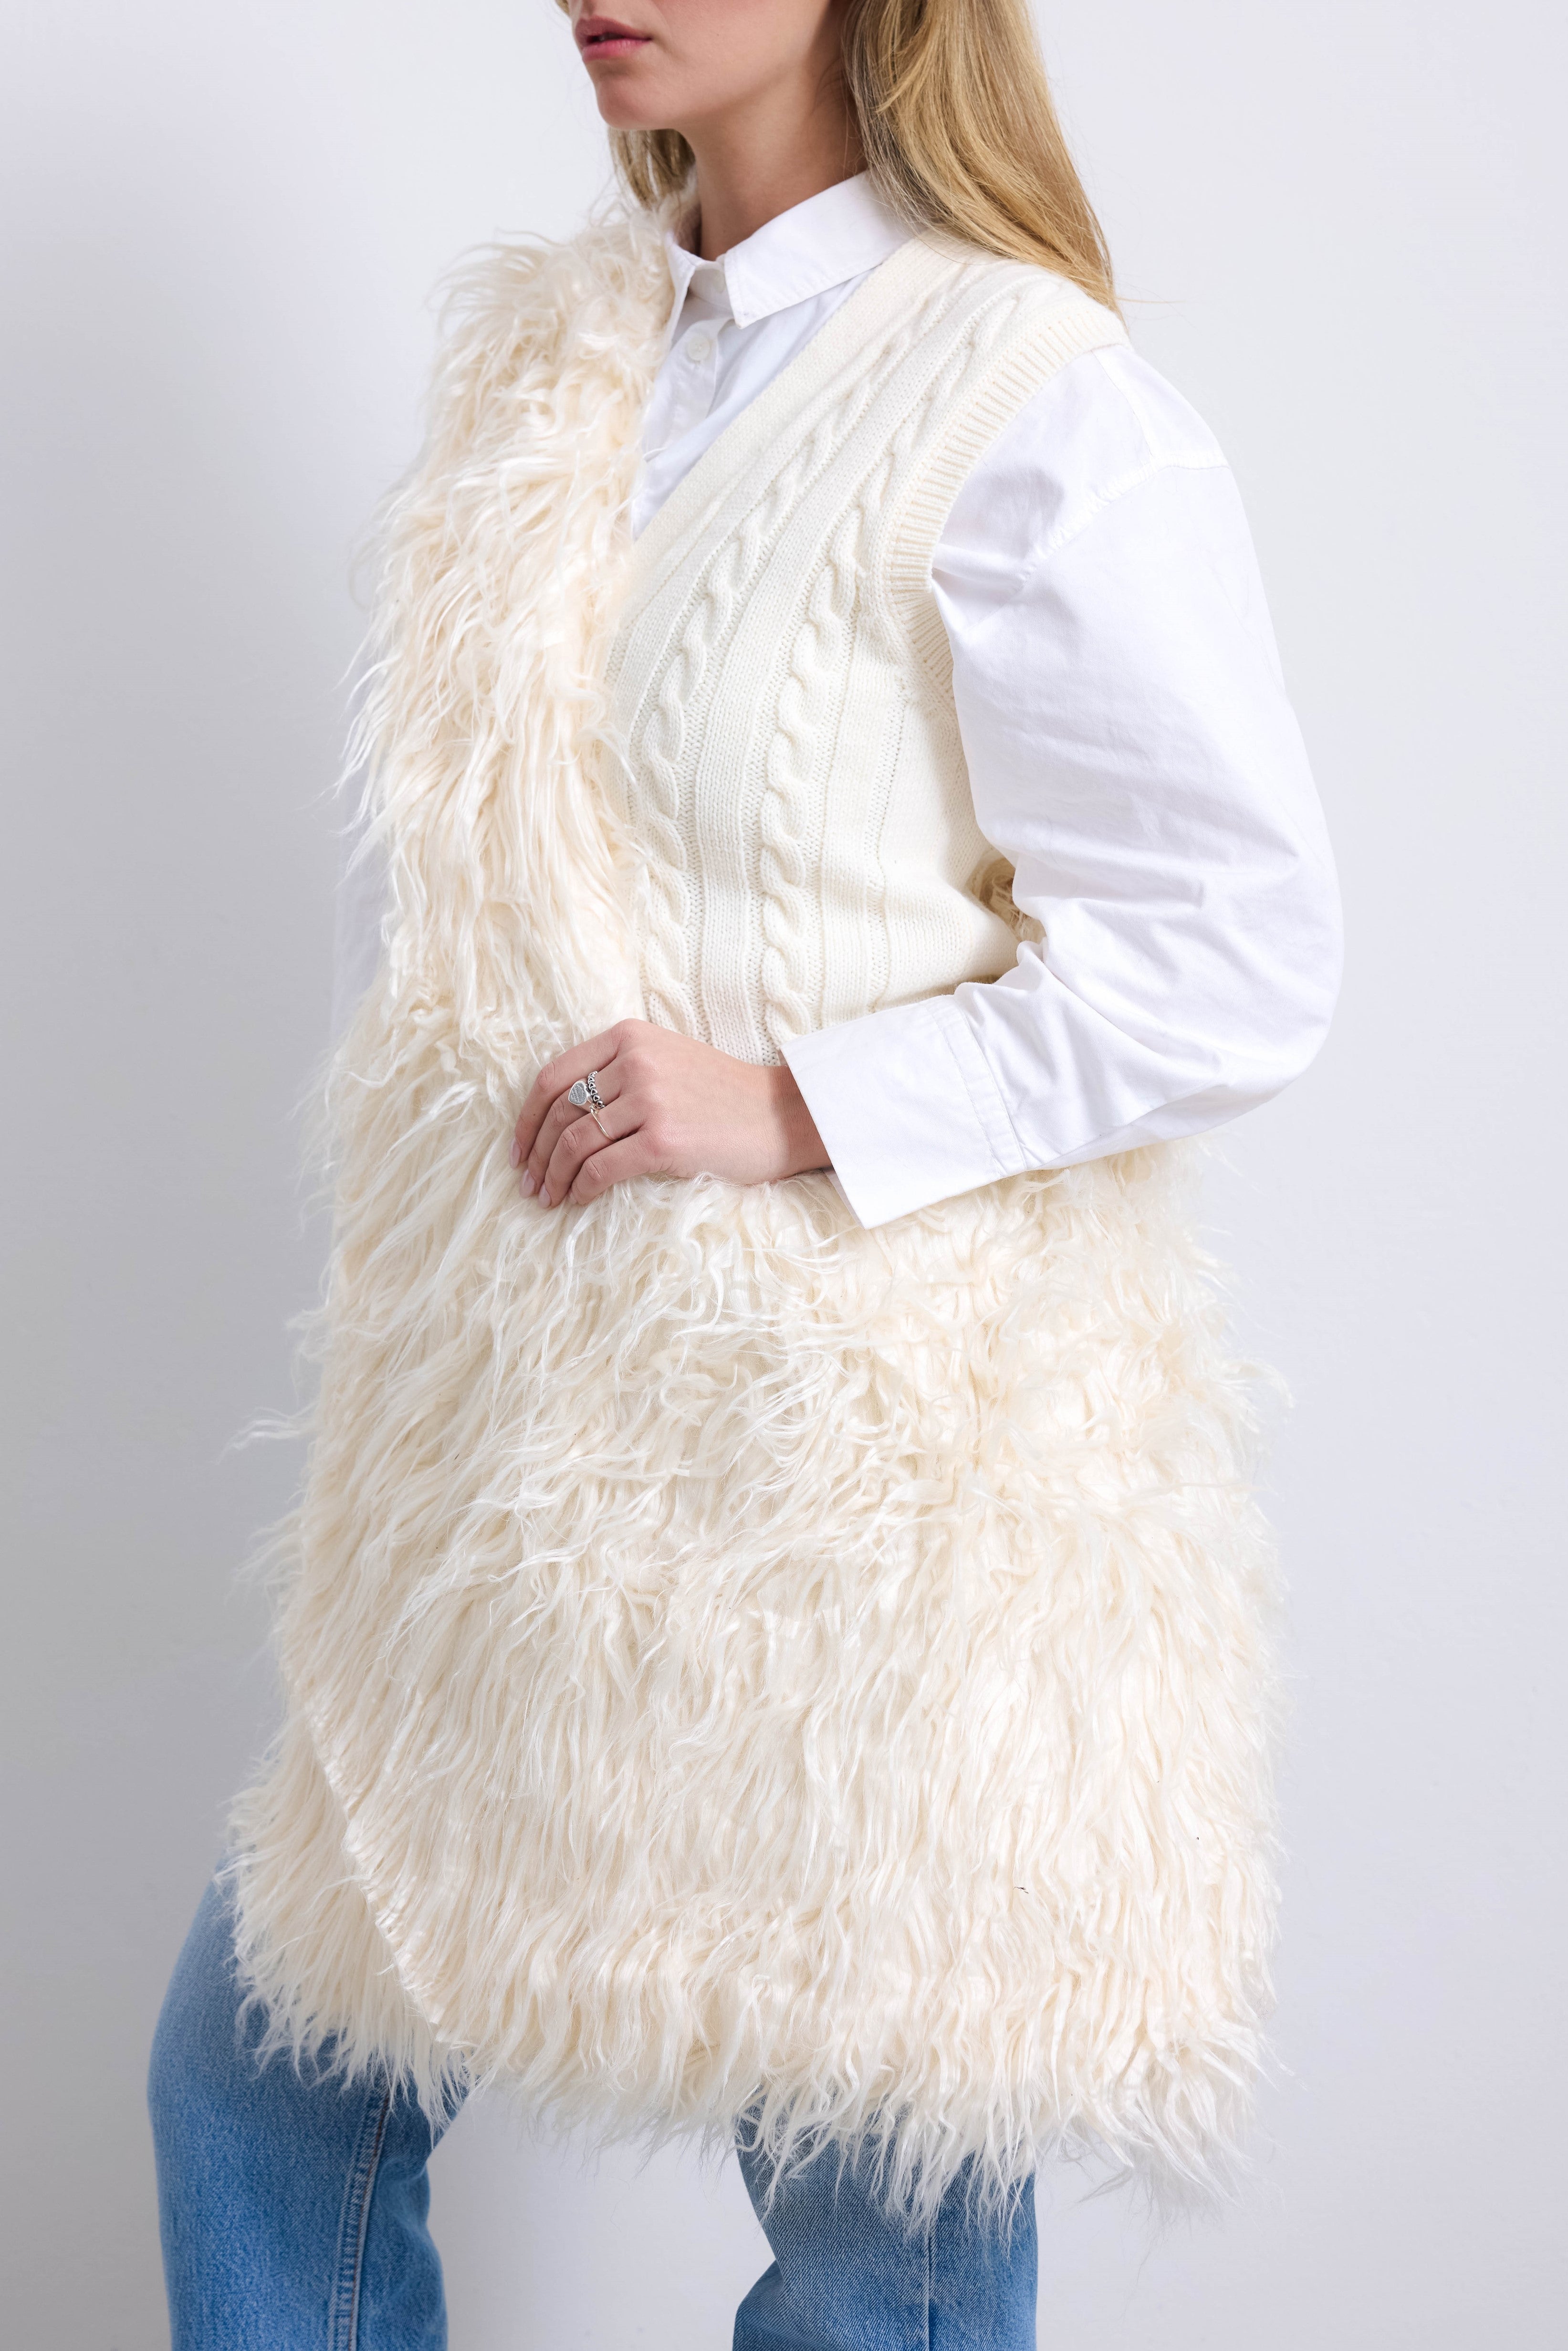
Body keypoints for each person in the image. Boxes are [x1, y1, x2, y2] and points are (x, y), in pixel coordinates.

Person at [148, 0, 1342, 2342]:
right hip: (512, 1470)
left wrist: (797, 1097)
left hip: (861, 1490)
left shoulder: (1030, 394)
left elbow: (1242, 955)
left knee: (881, 2236)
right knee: (266, 2074)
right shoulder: (557, 374)